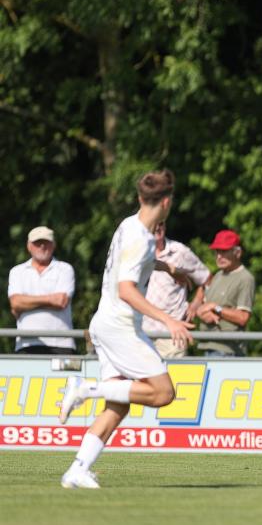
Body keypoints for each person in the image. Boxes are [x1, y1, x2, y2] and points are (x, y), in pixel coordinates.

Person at [58, 170, 194, 489]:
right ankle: (85, 389)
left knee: (118, 406)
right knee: (163, 393)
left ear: (138, 199)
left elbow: (132, 263)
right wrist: (169, 319)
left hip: (103, 322)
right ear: (167, 202)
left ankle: (77, 469)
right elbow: (127, 289)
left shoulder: (128, 225)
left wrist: (167, 267)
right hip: (120, 327)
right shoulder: (142, 238)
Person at [143, 222, 211, 358]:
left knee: (173, 378)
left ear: (165, 227)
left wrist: (196, 303)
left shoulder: (179, 251)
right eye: (154, 223)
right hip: (142, 332)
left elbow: (207, 278)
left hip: (173, 334)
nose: (158, 227)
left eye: (161, 224)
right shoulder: (139, 252)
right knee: (143, 379)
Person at [8, 226, 77, 354]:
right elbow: (15, 303)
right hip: (26, 344)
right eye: (37, 243)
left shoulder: (65, 269)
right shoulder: (17, 272)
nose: (42, 246)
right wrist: (50, 299)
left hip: (61, 344)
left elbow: (61, 301)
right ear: (29, 246)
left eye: (46, 242)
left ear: (53, 244)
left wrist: (25, 303)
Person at [194, 229, 255, 357]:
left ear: (237, 253)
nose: (219, 256)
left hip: (228, 351)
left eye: (224, 251)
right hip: (208, 347)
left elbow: (243, 317)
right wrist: (202, 312)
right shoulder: (217, 275)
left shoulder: (245, 278)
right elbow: (205, 306)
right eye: (217, 251)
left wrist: (215, 308)